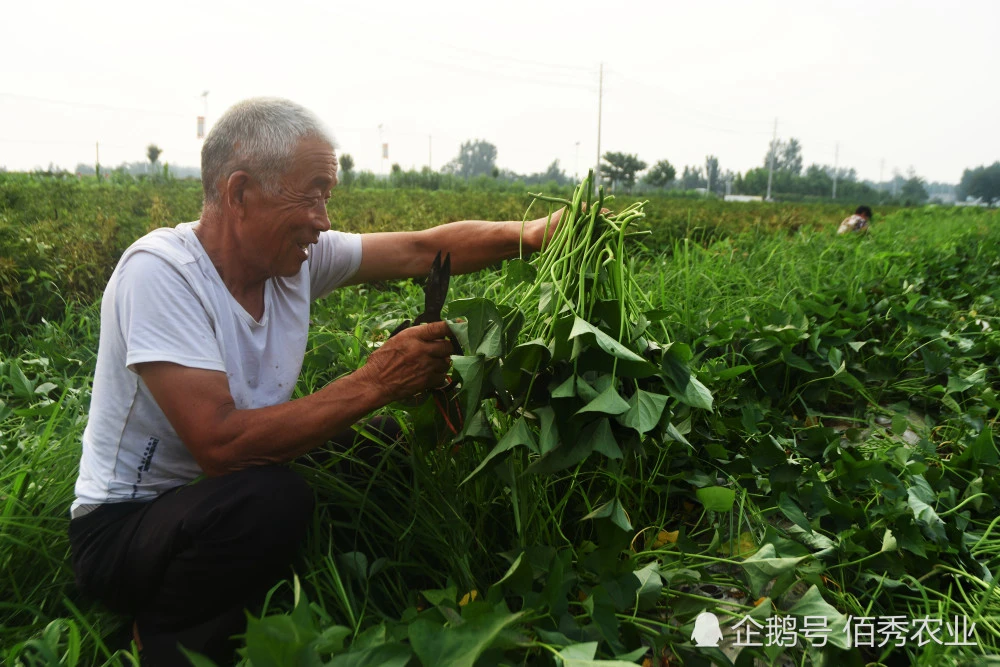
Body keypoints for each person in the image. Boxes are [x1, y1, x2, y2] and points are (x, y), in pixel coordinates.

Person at [68, 97, 561, 665]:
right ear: (240, 193)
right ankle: (158, 642)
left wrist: (532, 234)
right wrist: (376, 379)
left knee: (375, 445)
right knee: (270, 500)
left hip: (216, 496)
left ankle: (358, 588)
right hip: (125, 528)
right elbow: (221, 447)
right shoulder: (160, 274)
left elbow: (422, 249)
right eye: (313, 194)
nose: (324, 219)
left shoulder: (291, 260)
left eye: (328, 196)